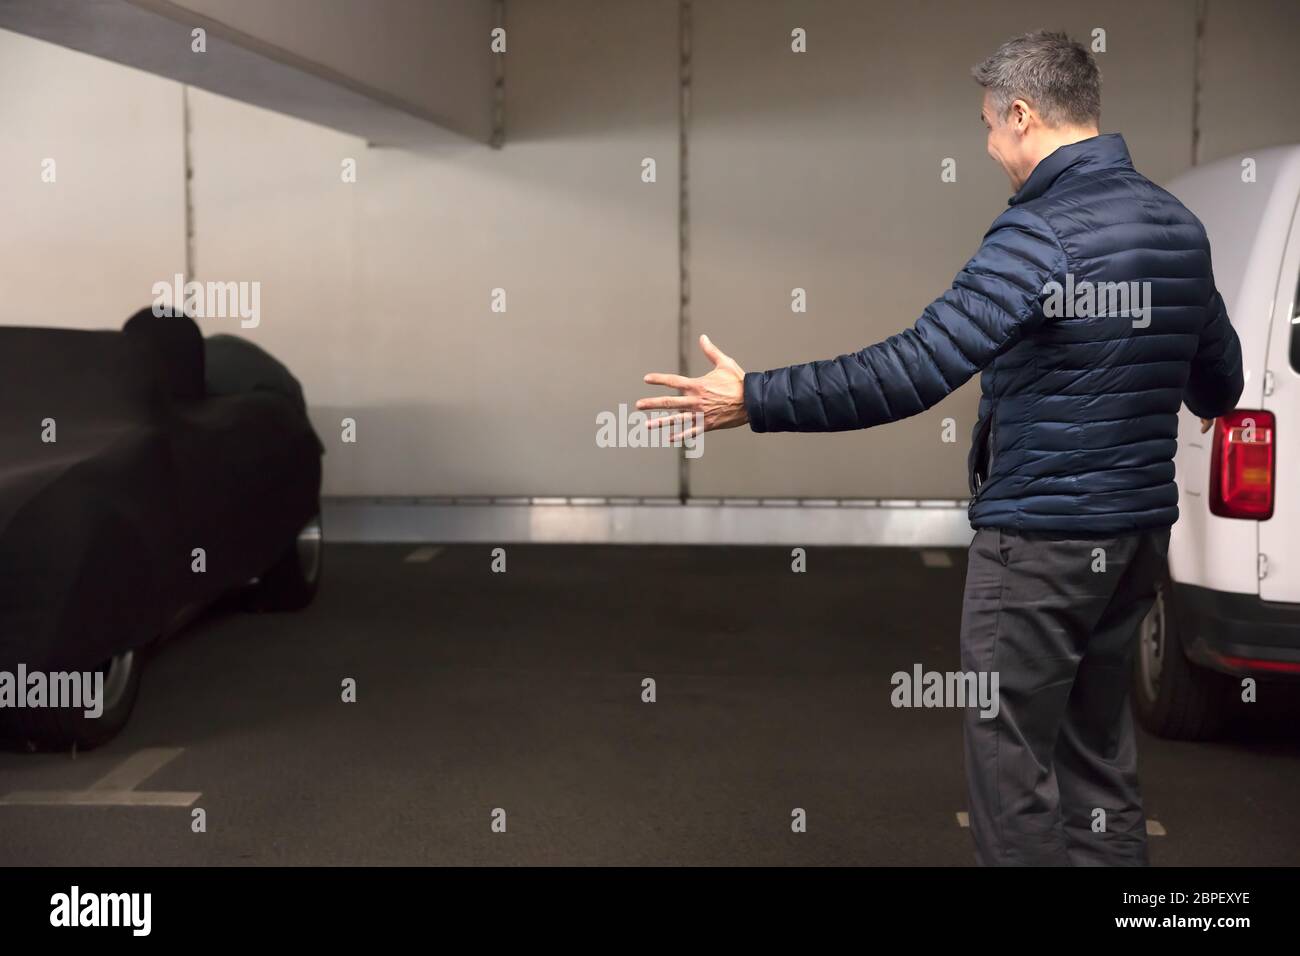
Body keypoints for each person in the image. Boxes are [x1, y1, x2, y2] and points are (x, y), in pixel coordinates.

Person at [635, 30, 1243, 866]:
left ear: (1023, 115)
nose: (990, 147)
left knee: (1011, 764)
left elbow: (915, 368)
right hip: (1135, 541)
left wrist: (757, 398)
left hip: (1039, 546)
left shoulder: (1037, 236)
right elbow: (1219, 376)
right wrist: (1193, 398)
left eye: (991, 128)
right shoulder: (1179, 225)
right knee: (1099, 760)